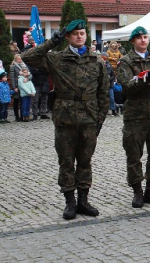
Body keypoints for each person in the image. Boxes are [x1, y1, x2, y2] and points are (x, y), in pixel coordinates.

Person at [22, 20, 109, 220]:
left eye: (82, 33)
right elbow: (28, 57)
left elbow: (103, 93)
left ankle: (83, 201)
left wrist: (100, 119)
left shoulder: (96, 61)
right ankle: (70, 202)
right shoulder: (57, 59)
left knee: (85, 162)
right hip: (65, 119)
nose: (80, 36)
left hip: (89, 118)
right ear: (68, 37)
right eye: (75, 34)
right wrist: (52, 41)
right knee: (66, 161)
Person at [116, 26, 150, 208]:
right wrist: (143, 79)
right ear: (132, 41)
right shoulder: (125, 62)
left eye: (145, 37)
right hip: (135, 116)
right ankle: (137, 191)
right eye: (139, 38)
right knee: (134, 155)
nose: (143, 40)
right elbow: (126, 87)